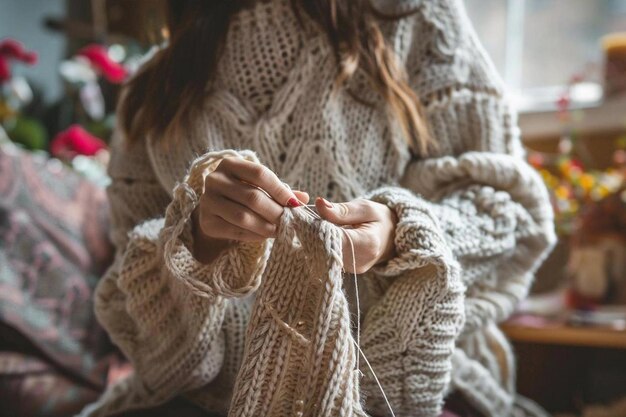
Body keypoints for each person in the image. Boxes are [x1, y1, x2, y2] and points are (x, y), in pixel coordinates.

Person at [79, 0, 556, 416]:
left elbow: (506, 210)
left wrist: (401, 236)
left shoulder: (412, 17)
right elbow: (143, 323)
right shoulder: (150, 94)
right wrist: (194, 248)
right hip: (207, 399)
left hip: (405, 384)